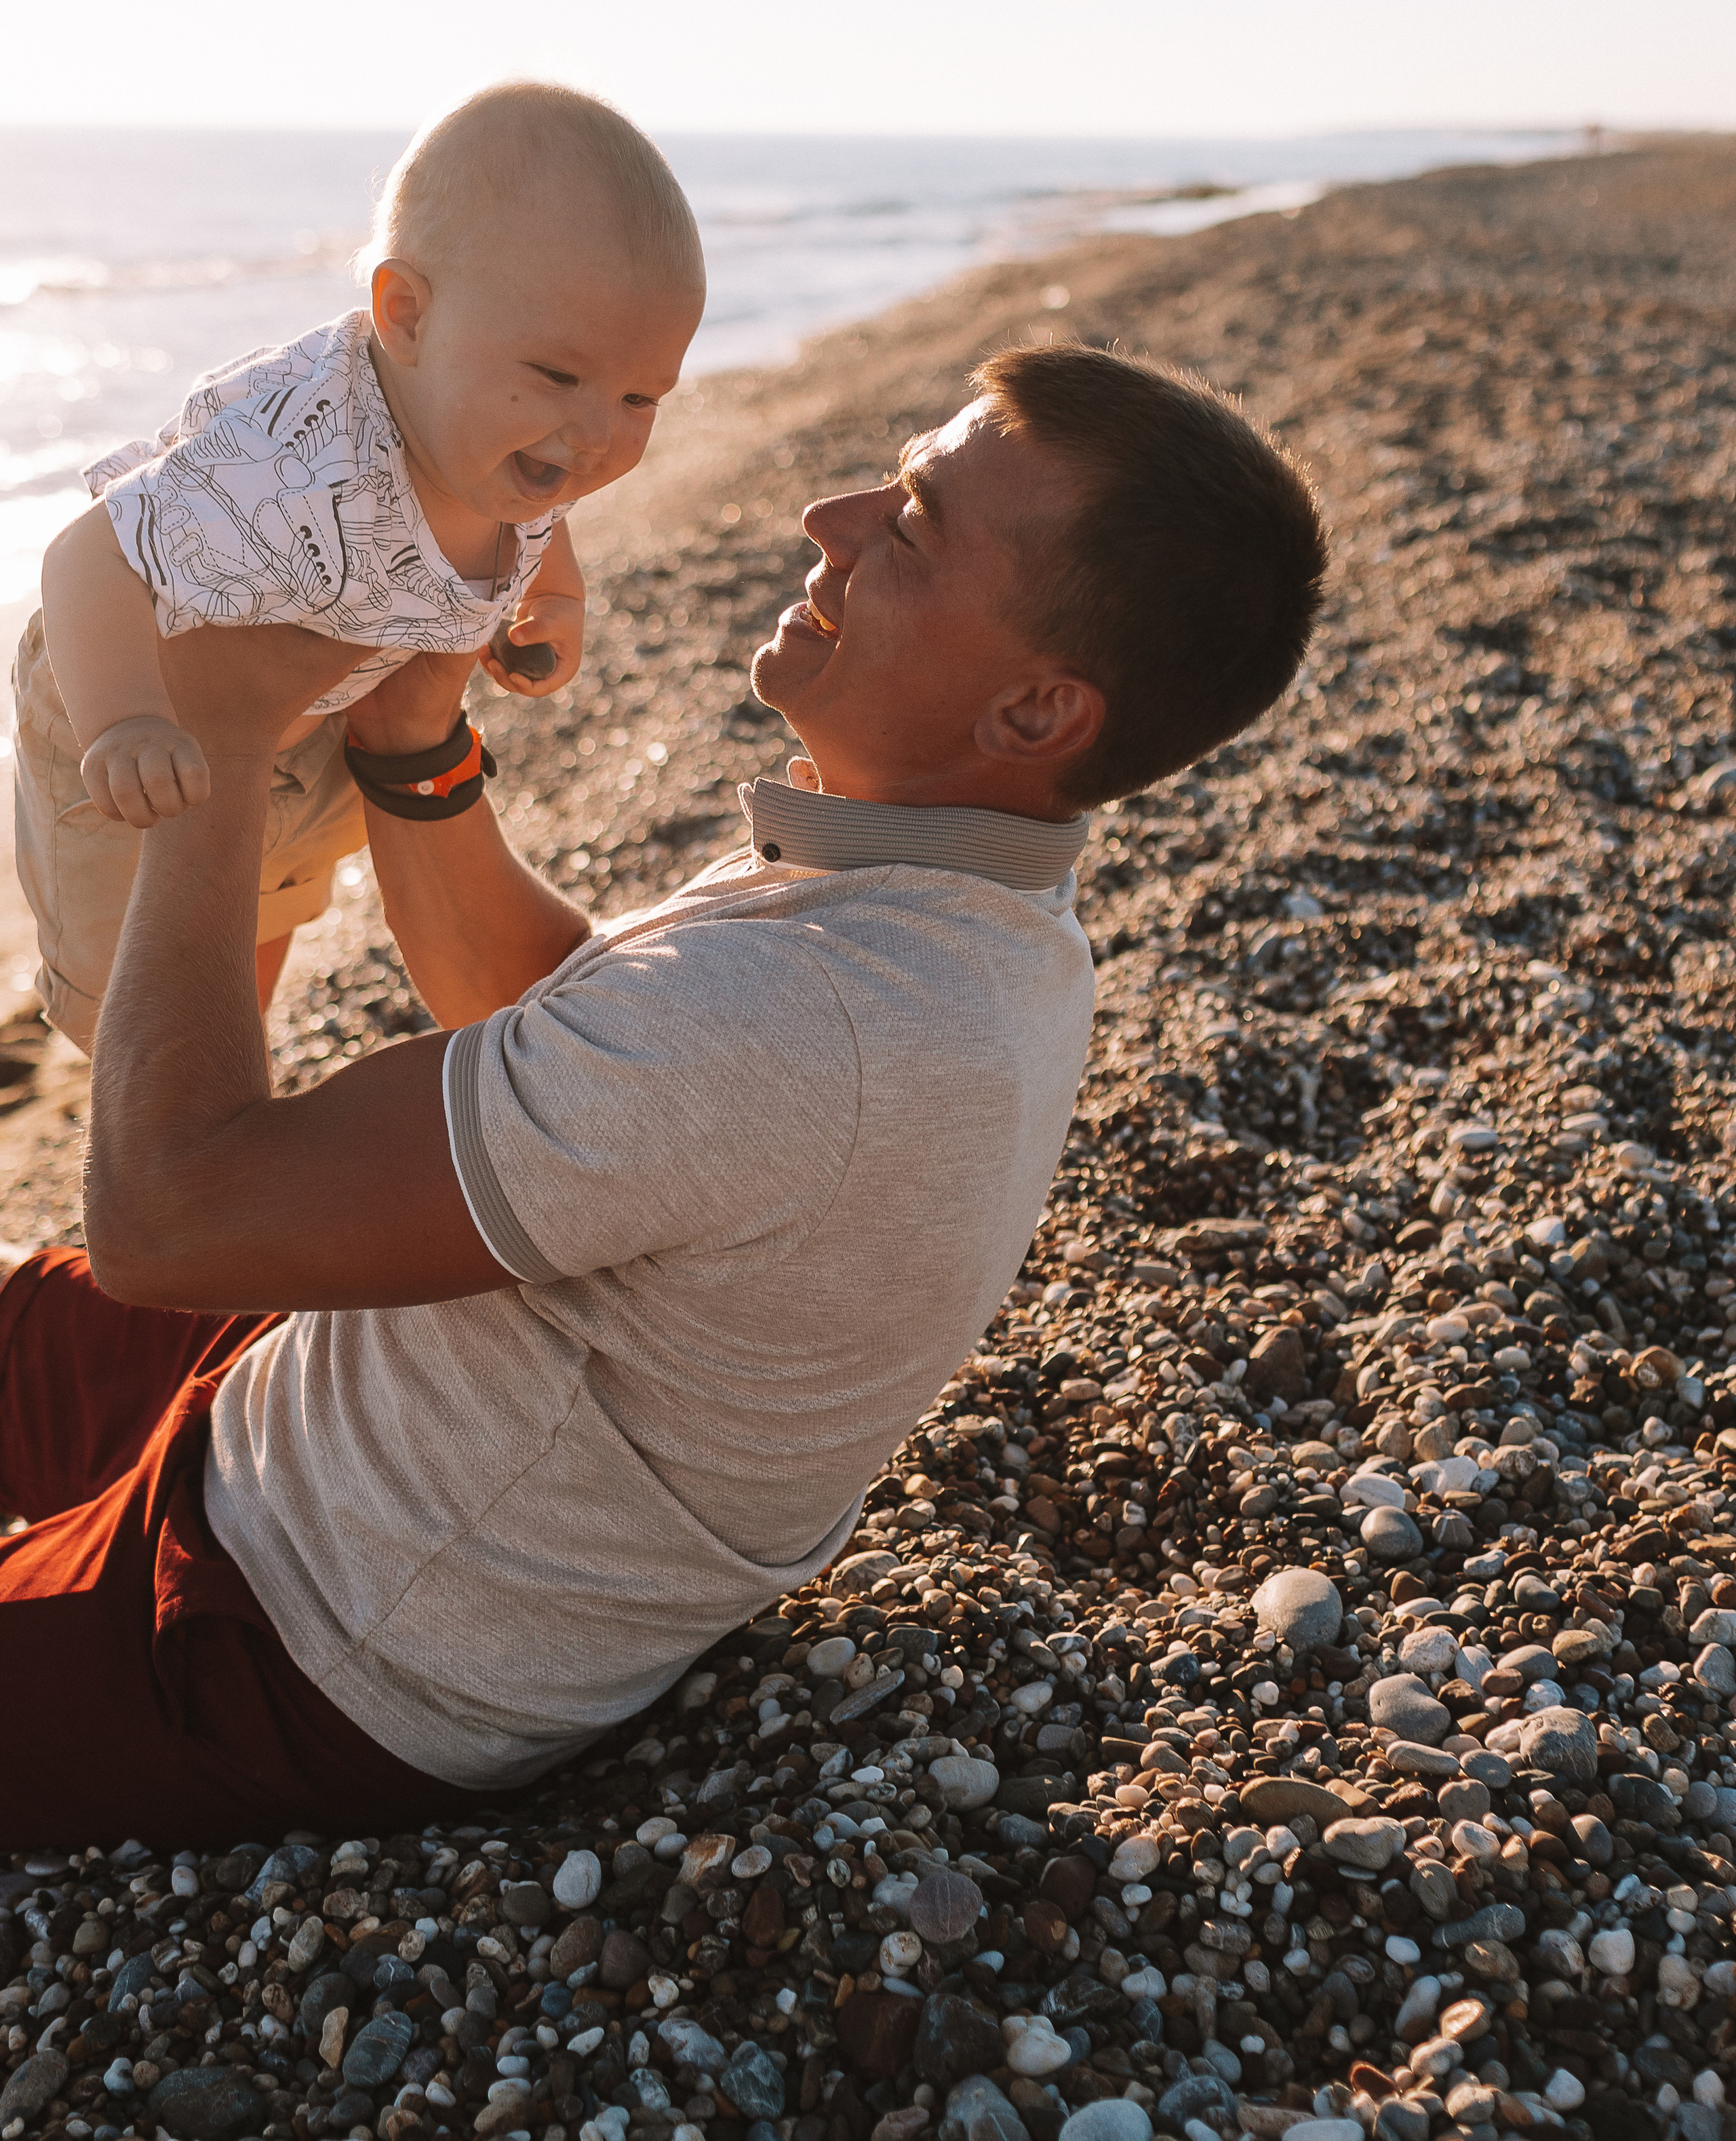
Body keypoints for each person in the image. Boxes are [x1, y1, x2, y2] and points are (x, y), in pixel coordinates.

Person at [0, 343, 1328, 1845]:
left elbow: (170, 1218)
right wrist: (411, 740)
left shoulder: (817, 1019)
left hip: (308, 1631)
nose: (829, 519)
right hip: (337, 1388)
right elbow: (564, 1022)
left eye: (910, 525)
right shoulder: (958, 901)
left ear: (1033, 715)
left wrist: (220, 753)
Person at [11, 82, 706, 1051]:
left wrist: (551, 599)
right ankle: (166, 1105)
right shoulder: (293, 454)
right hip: (135, 696)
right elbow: (87, 555)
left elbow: (545, 515)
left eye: (642, 395)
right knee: (136, 1011)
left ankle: (231, 1060)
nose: (598, 435)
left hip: (310, 732)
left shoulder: (507, 439)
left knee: (263, 915)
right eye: (560, 375)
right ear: (405, 315)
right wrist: (125, 720)